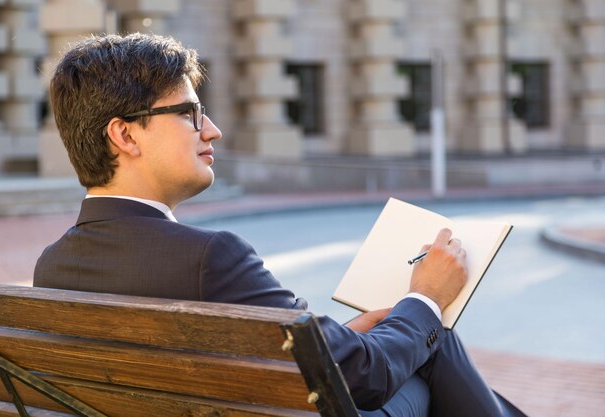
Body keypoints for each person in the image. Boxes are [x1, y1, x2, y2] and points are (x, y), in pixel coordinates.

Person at [34, 33, 527, 417]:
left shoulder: (53, 266)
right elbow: (367, 378)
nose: (212, 130)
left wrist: (326, 338)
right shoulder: (210, 259)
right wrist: (425, 298)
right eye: (189, 114)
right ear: (123, 135)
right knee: (432, 343)